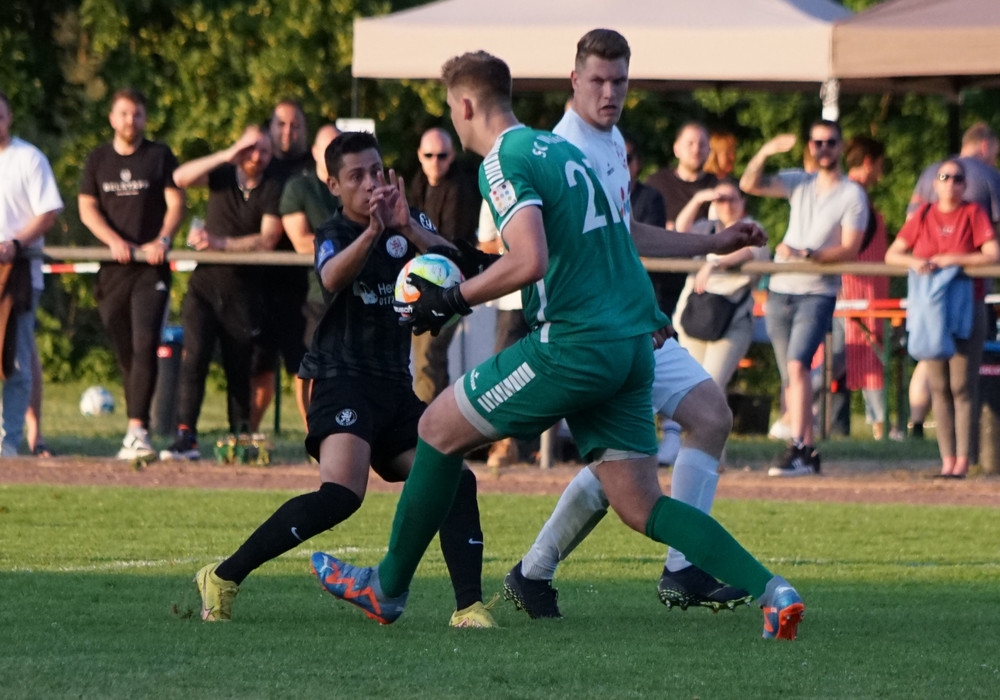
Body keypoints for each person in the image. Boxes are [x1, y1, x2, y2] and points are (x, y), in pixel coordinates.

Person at [309, 50, 804, 642]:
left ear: (464, 106)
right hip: (628, 343)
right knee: (640, 504)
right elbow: (612, 242)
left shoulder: (503, 161)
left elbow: (529, 260)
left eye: (450, 109)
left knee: (436, 427)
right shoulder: (561, 150)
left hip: (574, 344)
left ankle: (386, 588)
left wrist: (454, 298)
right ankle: (773, 590)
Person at [504, 29, 764, 619]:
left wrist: (710, 243)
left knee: (708, 417)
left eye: (619, 80)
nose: (609, 92)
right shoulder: (563, 150)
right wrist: (637, 313)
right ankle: (534, 572)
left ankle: (678, 568)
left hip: (627, 320)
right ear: (574, 80)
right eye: (597, 80)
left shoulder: (613, 140)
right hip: (594, 331)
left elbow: (625, 236)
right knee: (624, 468)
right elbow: (577, 256)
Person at [195, 130, 495, 628]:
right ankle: (223, 576)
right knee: (341, 496)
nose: (370, 183)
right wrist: (374, 231)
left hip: (395, 387)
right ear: (333, 185)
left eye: (376, 171)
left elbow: (460, 264)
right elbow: (331, 276)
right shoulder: (334, 231)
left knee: (456, 479)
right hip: (342, 380)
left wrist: (408, 228)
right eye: (356, 176)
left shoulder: (411, 221)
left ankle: (469, 609)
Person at [741, 120, 868, 477]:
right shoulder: (799, 181)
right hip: (781, 288)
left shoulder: (852, 194)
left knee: (798, 367)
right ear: (810, 147)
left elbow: (850, 248)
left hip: (817, 291)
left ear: (841, 146)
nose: (823, 149)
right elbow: (748, 184)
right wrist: (766, 150)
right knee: (790, 374)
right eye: (817, 143)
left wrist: (807, 253)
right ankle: (808, 451)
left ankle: (797, 445)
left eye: (830, 142)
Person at [162, 125, 283, 460]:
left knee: (239, 367)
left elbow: (267, 239)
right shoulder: (223, 173)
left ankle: (239, 439)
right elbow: (180, 177)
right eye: (250, 148)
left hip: (243, 290)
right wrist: (227, 154)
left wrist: (219, 243)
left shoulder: (274, 185)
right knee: (194, 359)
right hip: (204, 287)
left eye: (264, 150)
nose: (257, 156)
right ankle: (185, 436)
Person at [78, 88, 186, 460]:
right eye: (124, 113)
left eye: (137, 113)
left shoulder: (159, 156)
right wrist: (112, 240)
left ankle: (137, 430)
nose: (130, 120)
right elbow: (87, 207)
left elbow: (176, 203)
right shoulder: (98, 159)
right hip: (113, 270)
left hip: (149, 269)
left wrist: (163, 238)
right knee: (126, 352)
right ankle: (135, 425)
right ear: (112, 118)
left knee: (145, 344)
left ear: (144, 117)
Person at [886, 159, 1000, 478]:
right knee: (938, 385)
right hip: (930, 310)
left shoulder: (973, 213)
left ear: (964, 185)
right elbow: (893, 254)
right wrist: (915, 262)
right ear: (935, 184)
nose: (951, 183)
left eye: (958, 178)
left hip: (966, 306)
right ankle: (947, 460)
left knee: (962, 385)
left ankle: (963, 460)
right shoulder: (923, 214)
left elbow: (992, 253)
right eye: (944, 177)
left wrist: (953, 259)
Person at [0, 89, 63, 457]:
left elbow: (48, 212)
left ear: (9, 118)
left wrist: (16, 243)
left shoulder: (28, 158)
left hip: (17, 273)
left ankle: (7, 442)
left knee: (16, 358)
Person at [249, 101, 316, 432]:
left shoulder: (316, 168)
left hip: (303, 286)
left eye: (295, 125)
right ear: (270, 128)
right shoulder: (257, 164)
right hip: (260, 284)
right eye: (281, 124)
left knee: (305, 367)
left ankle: (317, 441)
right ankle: (245, 438)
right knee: (258, 366)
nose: (288, 131)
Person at [673, 182, 769, 391]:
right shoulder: (706, 227)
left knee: (711, 384)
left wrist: (715, 263)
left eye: (732, 199)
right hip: (694, 314)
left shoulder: (751, 227)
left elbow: (751, 250)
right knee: (692, 386)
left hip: (732, 318)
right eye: (720, 200)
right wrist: (698, 199)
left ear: (743, 201)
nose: (727, 205)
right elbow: (680, 231)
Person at [407, 127, 480, 404]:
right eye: (429, 155)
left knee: (429, 356)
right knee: (427, 358)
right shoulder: (417, 186)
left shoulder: (460, 189)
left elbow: (450, 243)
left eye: (442, 155)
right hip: (423, 281)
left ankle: (427, 422)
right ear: (419, 156)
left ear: (452, 157)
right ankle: (439, 420)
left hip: (449, 282)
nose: (435, 162)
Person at [279, 123, 341, 423]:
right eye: (327, 148)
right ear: (315, 152)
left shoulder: (355, 186)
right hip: (314, 294)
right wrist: (350, 244)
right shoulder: (299, 187)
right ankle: (310, 428)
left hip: (353, 291)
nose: (333, 155)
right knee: (309, 365)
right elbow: (301, 241)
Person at [841, 136, 891, 439]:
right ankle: (878, 425)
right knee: (847, 358)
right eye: (880, 165)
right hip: (852, 290)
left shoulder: (856, 195)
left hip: (867, 292)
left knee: (866, 356)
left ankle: (875, 424)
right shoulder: (850, 196)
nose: (881, 173)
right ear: (869, 162)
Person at [645, 122, 719, 317]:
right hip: (657, 280)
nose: (696, 149)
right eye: (690, 143)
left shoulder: (719, 188)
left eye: (702, 144)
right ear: (676, 149)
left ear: (709, 150)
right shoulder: (656, 183)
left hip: (700, 284)